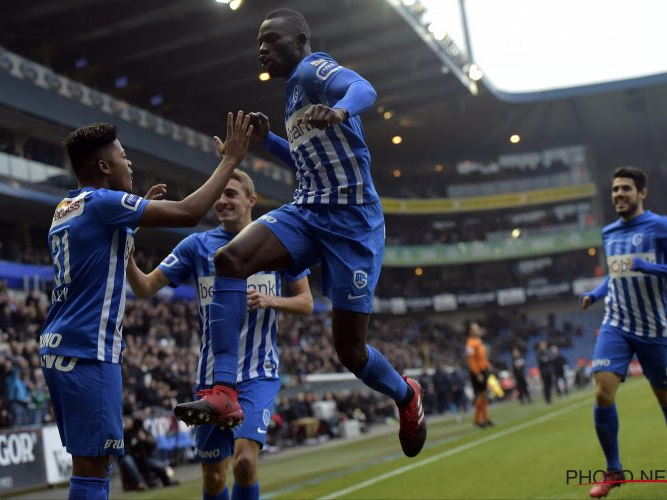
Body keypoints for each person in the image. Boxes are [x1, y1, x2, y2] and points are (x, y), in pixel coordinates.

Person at [173, 8, 426, 458]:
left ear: (301, 38)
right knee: (229, 260)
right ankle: (225, 391)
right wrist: (269, 142)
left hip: (352, 225)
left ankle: (407, 396)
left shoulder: (314, 69)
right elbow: (306, 161)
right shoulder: (291, 95)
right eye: (259, 43)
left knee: (349, 350)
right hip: (310, 210)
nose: (262, 49)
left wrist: (341, 109)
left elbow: (363, 87)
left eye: (271, 39)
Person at [39, 114, 253, 500]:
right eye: (123, 157)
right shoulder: (105, 202)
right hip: (89, 350)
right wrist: (230, 161)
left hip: (58, 346)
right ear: (105, 167)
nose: (130, 164)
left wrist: (132, 224)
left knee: (86, 463)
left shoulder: (65, 208)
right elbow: (189, 213)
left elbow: (96, 251)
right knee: (93, 467)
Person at [127, 170, 312, 500]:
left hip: (258, 373)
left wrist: (271, 299)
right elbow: (143, 287)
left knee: (244, 462)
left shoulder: (276, 243)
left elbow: (307, 303)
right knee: (214, 476)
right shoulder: (196, 247)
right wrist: (125, 242)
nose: (222, 201)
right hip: (210, 378)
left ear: (251, 200)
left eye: (231, 194)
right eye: (219, 195)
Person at [581, 166, 667, 498]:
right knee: (602, 393)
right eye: (615, 189)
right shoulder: (608, 233)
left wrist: (652, 267)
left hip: (653, 328)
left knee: (665, 396)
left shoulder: (660, 226)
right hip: (616, 324)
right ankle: (613, 470)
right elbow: (617, 275)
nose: (619, 194)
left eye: (626, 189)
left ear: (641, 193)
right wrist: (596, 292)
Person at [465, 322, 492, 427]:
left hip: (483, 370)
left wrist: (488, 365)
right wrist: (477, 373)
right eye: (475, 329)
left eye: (478, 328)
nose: (478, 330)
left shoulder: (479, 341)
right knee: (480, 395)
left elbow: (482, 357)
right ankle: (477, 419)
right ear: (471, 331)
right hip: (477, 372)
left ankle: (485, 418)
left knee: (484, 395)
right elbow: (471, 360)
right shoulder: (470, 343)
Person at [536, 340, 554, 404]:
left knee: (550, 385)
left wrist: (547, 358)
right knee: (546, 386)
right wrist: (547, 359)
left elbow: (552, 358)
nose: (544, 346)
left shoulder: (548, 351)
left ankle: (550, 398)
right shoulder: (538, 353)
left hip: (549, 371)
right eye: (542, 345)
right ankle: (547, 399)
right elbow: (541, 360)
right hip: (544, 372)